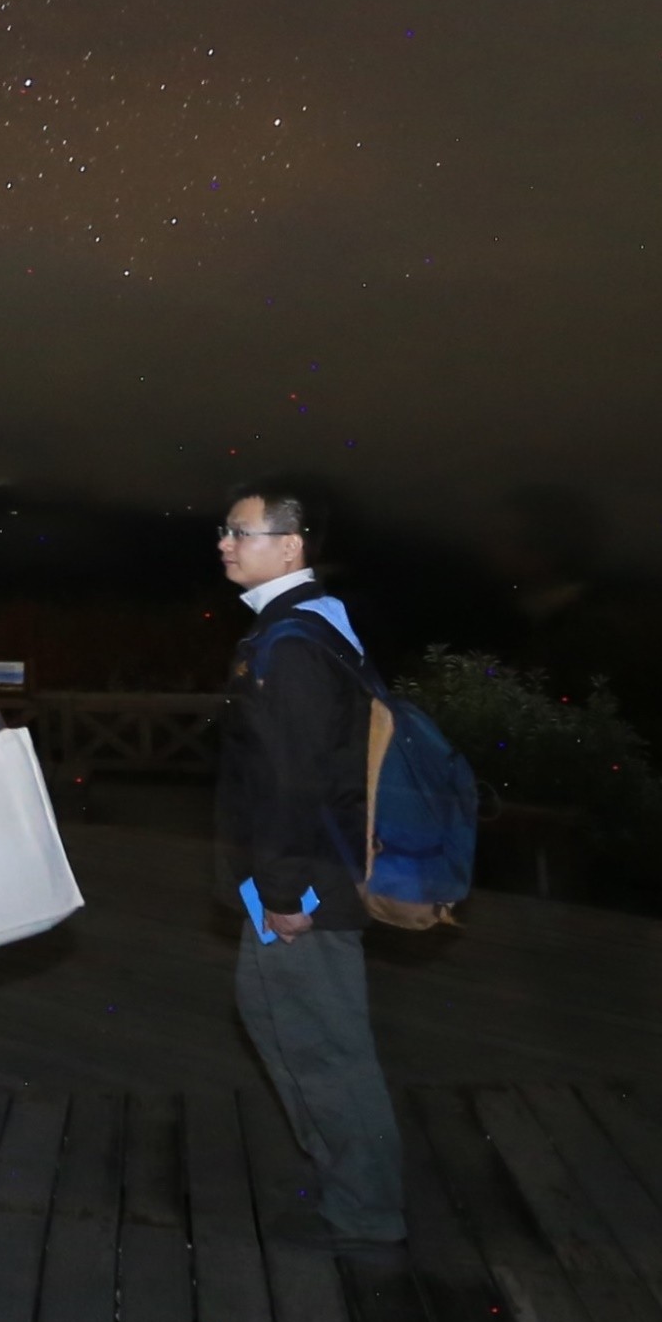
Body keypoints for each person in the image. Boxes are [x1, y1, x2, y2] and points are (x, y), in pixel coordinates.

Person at [216, 486, 407, 1247]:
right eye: (225, 531)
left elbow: (293, 779)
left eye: (240, 532)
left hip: (305, 881)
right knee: (278, 1017)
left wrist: (286, 893)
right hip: (303, 872)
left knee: (322, 1044)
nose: (224, 544)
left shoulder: (291, 644)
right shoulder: (311, 624)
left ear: (290, 545)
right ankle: (345, 1182)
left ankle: (366, 1210)